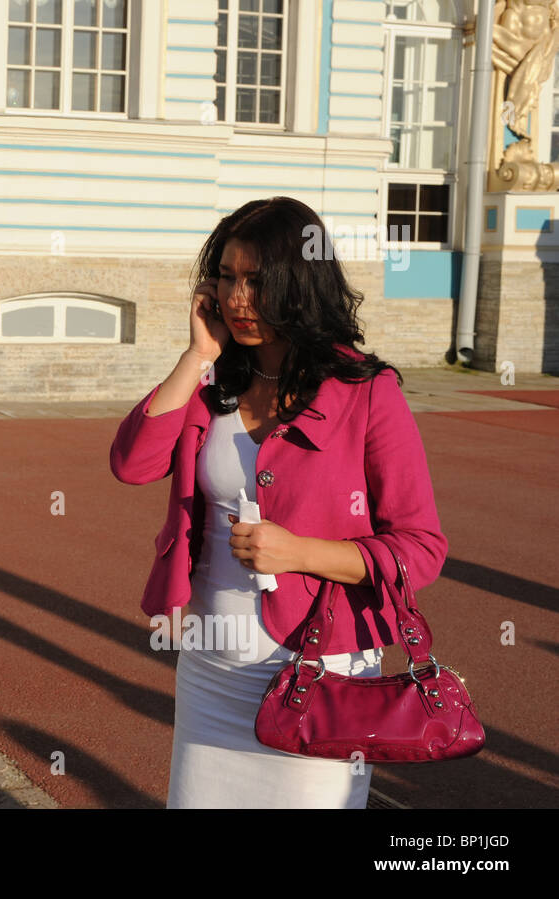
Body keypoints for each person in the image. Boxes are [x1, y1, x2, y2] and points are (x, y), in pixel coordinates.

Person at [109, 197, 448, 808]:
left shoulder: (367, 392)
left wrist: (300, 552)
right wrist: (196, 357)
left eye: (258, 282)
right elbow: (131, 464)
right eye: (229, 279)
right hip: (211, 669)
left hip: (321, 672)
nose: (239, 298)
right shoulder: (213, 383)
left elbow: (421, 549)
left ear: (301, 286)